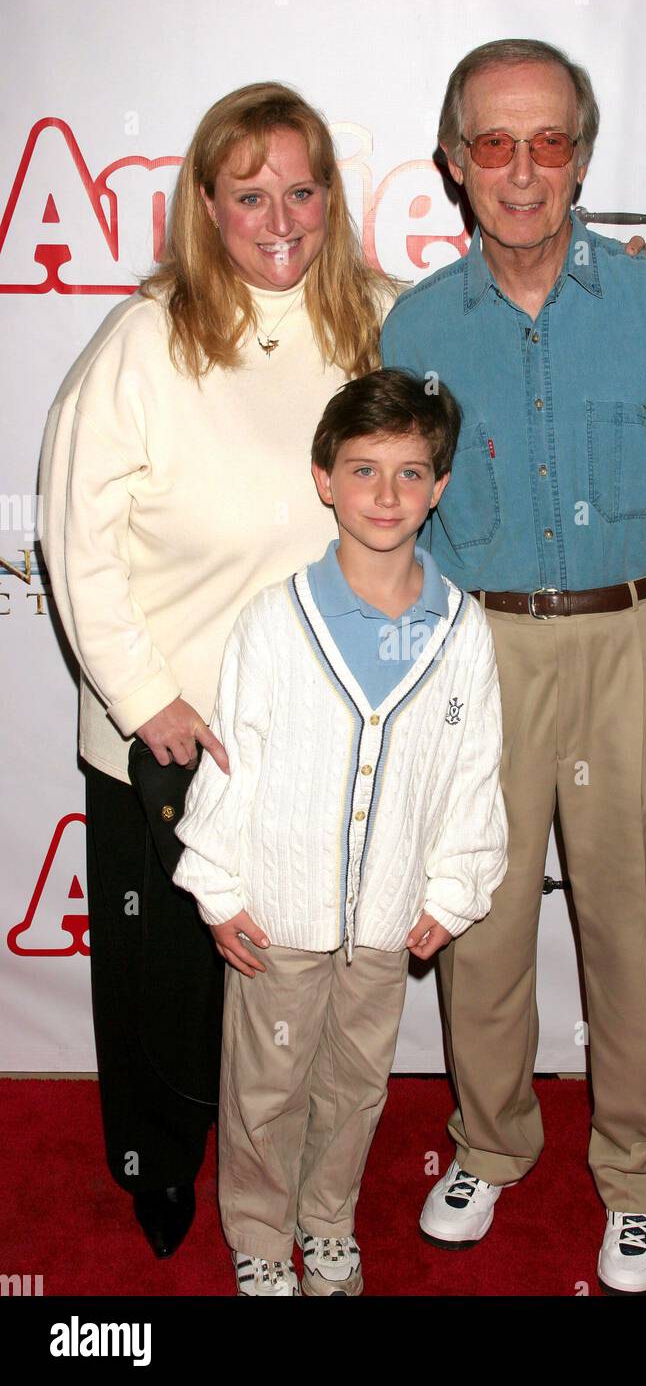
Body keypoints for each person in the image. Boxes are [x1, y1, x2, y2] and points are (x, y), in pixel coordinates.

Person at [380, 37, 646, 1295]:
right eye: (494, 143)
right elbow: (394, 521)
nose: (523, 170)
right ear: (453, 163)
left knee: (630, 933)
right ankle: (489, 1144)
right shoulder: (418, 325)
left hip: (633, 652)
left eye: (548, 141)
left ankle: (643, 1178)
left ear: (584, 157)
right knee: (480, 925)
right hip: (475, 658)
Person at [36, 81, 399, 1258]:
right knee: (166, 984)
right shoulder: (146, 337)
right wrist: (148, 704)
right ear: (205, 203)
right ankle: (155, 1168)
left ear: (331, 196)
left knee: (297, 980)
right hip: (171, 734)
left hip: (323, 736)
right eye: (249, 194)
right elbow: (74, 538)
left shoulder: (381, 325)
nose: (278, 216)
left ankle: (289, 1169)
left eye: (301, 189)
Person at [170, 367, 508, 1296]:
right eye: (363, 471)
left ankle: (326, 1224)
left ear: (439, 487)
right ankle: (259, 1233)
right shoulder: (277, 624)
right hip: (276, 919)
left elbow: (472, 774)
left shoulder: (462, 632)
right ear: (324, 478)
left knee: (356, 1087)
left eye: (409, 473)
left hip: (388, 921)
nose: (386, 495)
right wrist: (220, 889)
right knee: (265, 1089)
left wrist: (452, 891)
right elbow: (230, 761)